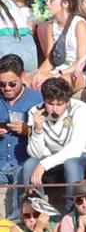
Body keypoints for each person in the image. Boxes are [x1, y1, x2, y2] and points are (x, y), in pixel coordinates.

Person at [0, 55, 41, 218]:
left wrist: (28, 131)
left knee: (24, 175)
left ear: (22, 77)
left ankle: (17, 224)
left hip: (22, 161)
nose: (7, 88)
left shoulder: (37, 99)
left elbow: (49, 135)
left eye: (12, 84)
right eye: (2, 84)